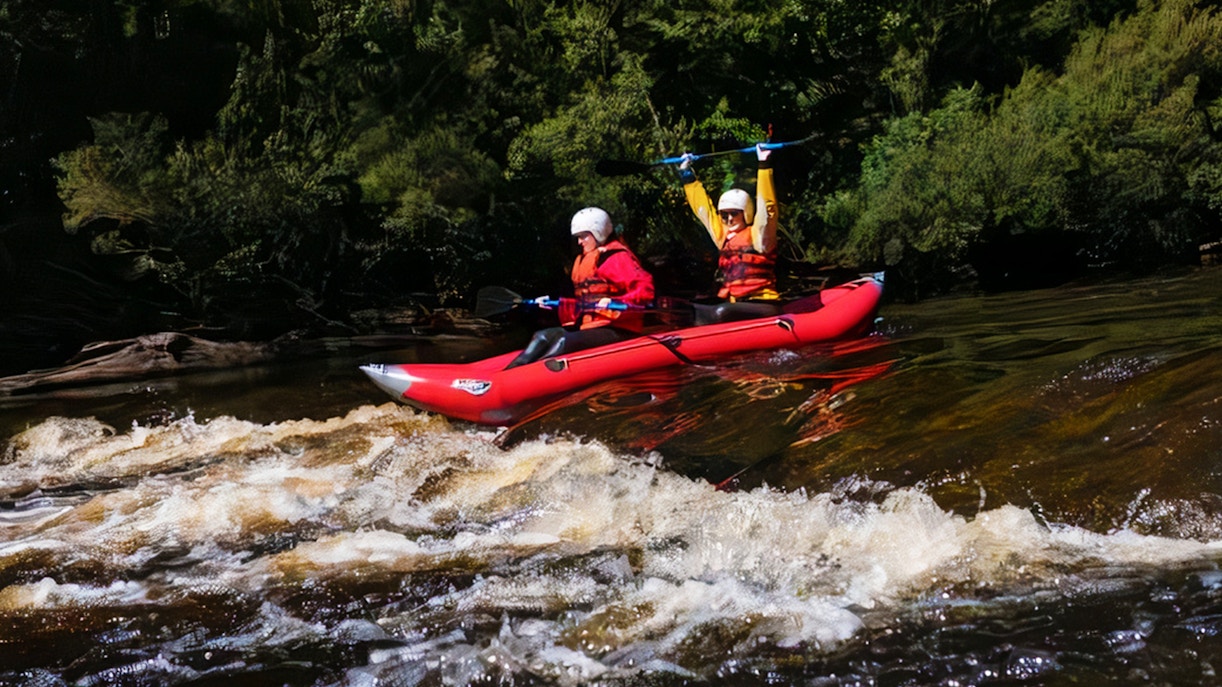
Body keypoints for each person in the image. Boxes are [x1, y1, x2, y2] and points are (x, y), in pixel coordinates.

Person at [505, 207, 655, 369]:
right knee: (543, 336)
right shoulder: (584, 259)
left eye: (584, 236)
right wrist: (551, 304)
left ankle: (532, 373)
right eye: (578, 237)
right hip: (592, 327)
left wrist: (616, 301)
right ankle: (509, 372)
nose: (580, 242)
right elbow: (577, 303)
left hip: (619, 330)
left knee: (562, 342)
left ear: (599, 232)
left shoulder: (616, 258)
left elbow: (646, 291)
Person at [678, 143, 782, 324]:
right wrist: (687, 176)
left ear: (746, 213)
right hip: (734, 303)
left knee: (722, 312)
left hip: (761, 302)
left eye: (734, 214)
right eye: (724, 215)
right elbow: (703, 210)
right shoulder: (723, 237)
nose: (729, 219)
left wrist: (764, 165)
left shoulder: (759, 237)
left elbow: (768, 210)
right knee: (695, 309)